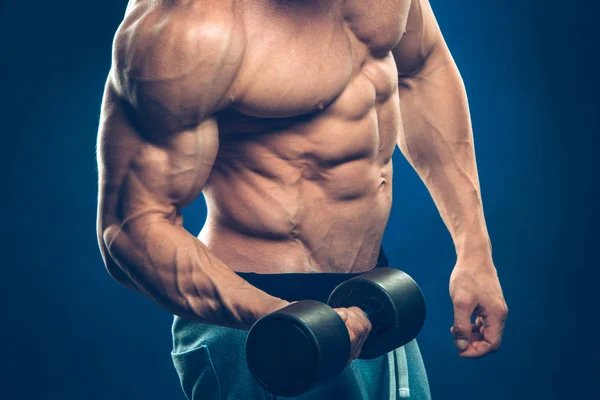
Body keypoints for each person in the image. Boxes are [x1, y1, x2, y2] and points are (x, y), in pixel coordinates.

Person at [96, 0, 508, 398]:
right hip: (258, 323)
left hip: (374, 300)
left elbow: (421, 70)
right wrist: (280, 319)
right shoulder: (184, 26)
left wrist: (475, 252)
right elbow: (131, 229)